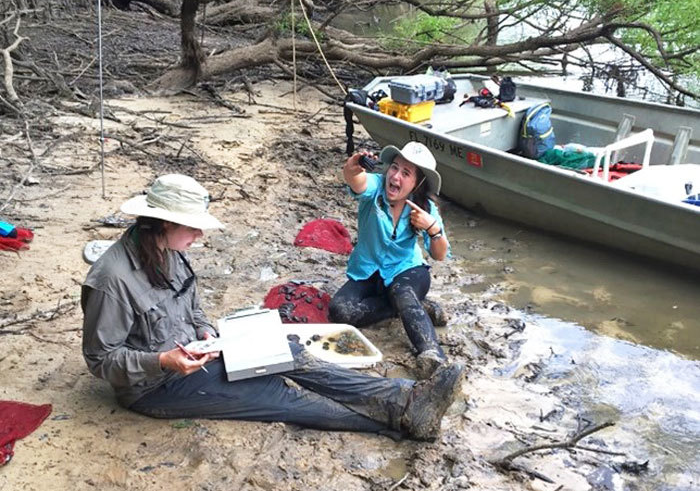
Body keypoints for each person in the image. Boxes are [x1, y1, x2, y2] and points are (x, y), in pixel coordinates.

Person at [81, 173, 463, 441]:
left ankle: (406, 397)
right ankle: (400, 423)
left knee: (289, 353)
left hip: (196, 355)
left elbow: (192, 309)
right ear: (161, 223)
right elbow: (101, 362)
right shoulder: (113, 279)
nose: (199, 235)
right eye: (192, 227)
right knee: (277, 394)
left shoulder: (169, 249)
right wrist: (163, 361)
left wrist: (206, 333)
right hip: (156, 386)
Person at [329, 142, 451, 378]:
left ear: (418, 184)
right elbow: (356, 179)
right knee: (339, 311)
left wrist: (432, 228)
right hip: (367, 269)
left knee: (402, 292)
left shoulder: (426, 209)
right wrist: (354, 166)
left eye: (406, 174)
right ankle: (409, 308)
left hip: (407, 271)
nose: (395, 176)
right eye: (394, 168)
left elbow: (440, 254)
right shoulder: (375, 188)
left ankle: (433, 355)